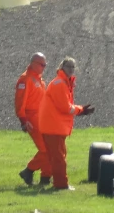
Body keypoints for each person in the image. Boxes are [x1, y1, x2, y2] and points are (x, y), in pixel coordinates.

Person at [38, 57, 95, 191]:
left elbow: (66, 107)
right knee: (59, 158)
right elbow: (65, 107)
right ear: (62, 67)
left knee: (56, 155)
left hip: (54, 126)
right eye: (68, 66)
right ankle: (61, 185)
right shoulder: (60, 84)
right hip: (53, 127)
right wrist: (81, 110)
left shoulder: (63, 83)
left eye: (72, 67)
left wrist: (80, 110)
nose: (70, 69)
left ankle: (47, 180)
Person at [16, 53, 52, 187]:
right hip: (32, 118)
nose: (44, 67)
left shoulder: (39, 80)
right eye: (42, 65)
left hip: (42, 118)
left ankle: (45, 178)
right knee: (46, 149)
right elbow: (20, 102)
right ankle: (29, 170)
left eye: (45, 65)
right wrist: (24, 121)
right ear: (33, 63)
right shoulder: (25, 80)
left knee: (50, 147)